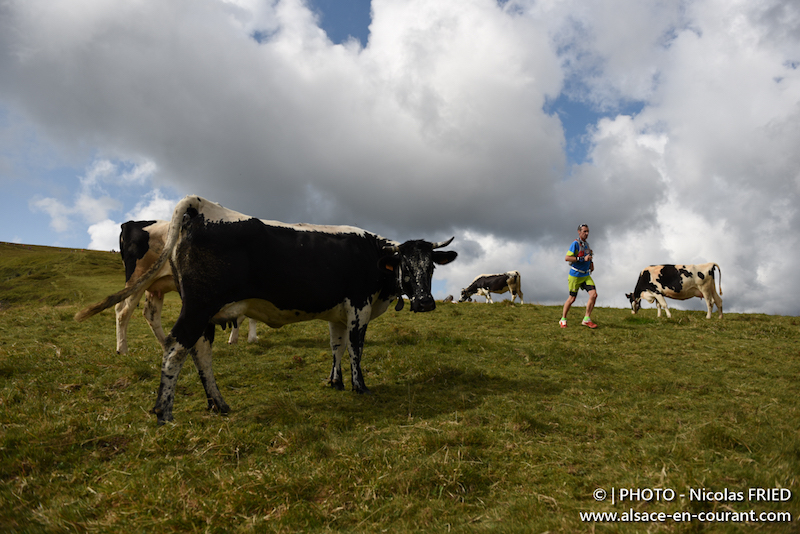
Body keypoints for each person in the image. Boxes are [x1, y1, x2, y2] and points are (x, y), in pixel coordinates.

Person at [560, 224, 597, 328]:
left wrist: (591, 263)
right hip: (575, 275)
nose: (587, 233)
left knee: (593, 295)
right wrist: (582, 259)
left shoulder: (587, 245)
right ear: (579, 232)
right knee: (572, 298)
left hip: (585, 275)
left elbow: (588, 256)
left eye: (588, 231)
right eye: (584, 231)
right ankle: (563, 319)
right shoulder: (575, 244)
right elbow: (567, 258)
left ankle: (586, 319)